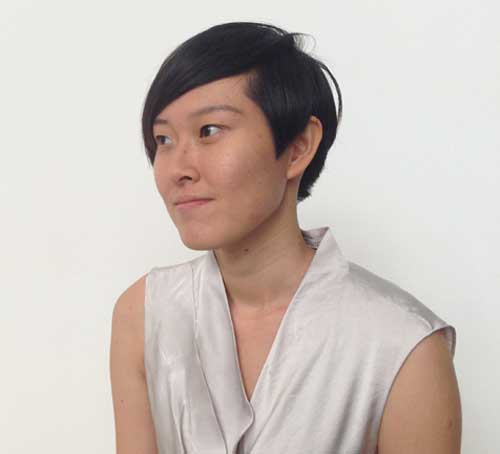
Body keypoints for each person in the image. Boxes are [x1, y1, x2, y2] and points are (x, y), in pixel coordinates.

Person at [110, 21, 461, 454]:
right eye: (163, 139)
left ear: (298, 147)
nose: (178, 169)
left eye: (209, 131)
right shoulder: (146, 314)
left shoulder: (404, 345)